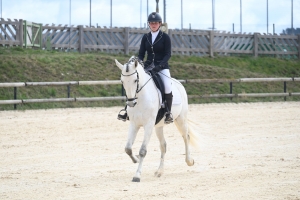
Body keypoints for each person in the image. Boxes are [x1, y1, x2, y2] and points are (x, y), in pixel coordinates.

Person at [118, 12, 173, 124]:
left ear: (159, 24)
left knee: (167, 86)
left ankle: (168, 112)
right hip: (148, 66)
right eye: (151, 23)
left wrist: (160, 66)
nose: (153, 25)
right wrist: (139, 63)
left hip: (162, 67)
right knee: (135, 83)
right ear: (149, 24)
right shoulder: (146, 37)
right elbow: (141, 54)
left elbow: (168, 54)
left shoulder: (165, 37)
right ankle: (127, 111)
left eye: (155, 23)